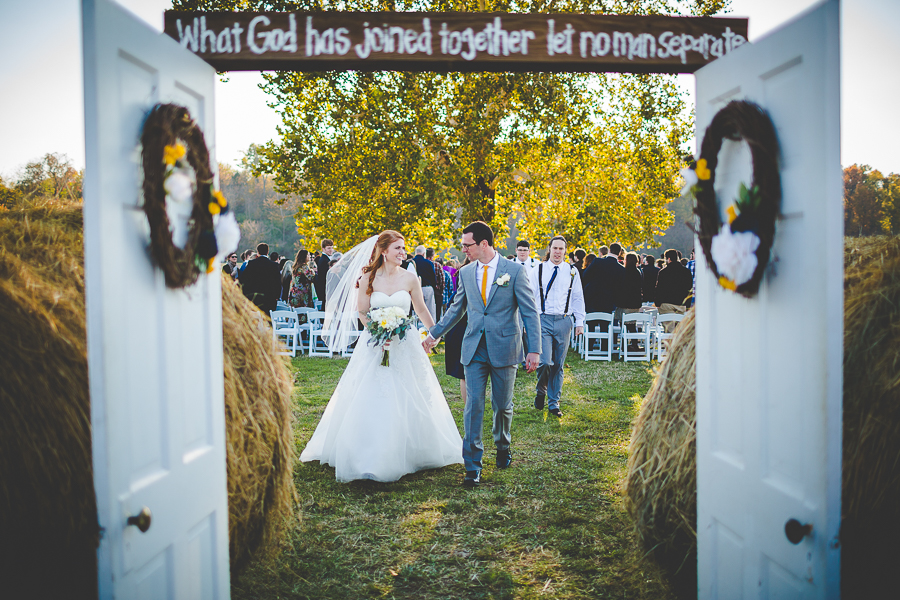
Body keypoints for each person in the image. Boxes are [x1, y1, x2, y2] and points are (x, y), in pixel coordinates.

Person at [300, 231, 463, 482]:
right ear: (384, 251)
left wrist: (435, 333)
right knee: (370, 391)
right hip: (375, 343)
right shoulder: (367, 278)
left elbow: (420, 308)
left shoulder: (410, 278)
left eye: (404, 248)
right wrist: (376, 330)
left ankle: (413, 450)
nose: (403, 253)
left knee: (411, 391)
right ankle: (368, 451)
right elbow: (363, 312)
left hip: (404, 343)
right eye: (397, 248)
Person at [424, 221, 541, 487]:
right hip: (473, 348)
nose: (463, 249)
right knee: (473, 405)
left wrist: (534, 349)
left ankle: (502, 445)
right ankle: (472, 465)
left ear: (484, 244)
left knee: (502, 406)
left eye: (467, 245)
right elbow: (456, 309)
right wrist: (434, 333)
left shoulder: (514, 271)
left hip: (505, 348)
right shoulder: (465, 273)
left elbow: (529, 312)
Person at [531, 236, 585, 418]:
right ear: (549, 249)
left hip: (564, 320)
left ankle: (554, 403)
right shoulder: (538, 269)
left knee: (558, 365)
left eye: (561, 249)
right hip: (543, 319)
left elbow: (578, 297)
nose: (557, 252)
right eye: (555, 248)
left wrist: (579, 322)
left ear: (565, 251)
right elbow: (529, 297)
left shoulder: (572, 272)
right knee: (545, 361)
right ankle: (541, 391)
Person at [239, 242, 283, 314]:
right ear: (267, 252)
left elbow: (244, 280)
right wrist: (276, 296)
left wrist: (246, 294)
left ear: (257, 252)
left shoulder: (251, 264)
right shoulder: (274, 265)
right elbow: (278, 282)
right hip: (269, 298)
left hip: (255, 298)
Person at [655, 248, 693, 329]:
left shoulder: (663, 272)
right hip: (681, 304)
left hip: (666, 304)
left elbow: (659, 289)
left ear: (668, 259)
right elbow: (689, 289)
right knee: (679, 329)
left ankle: (669, 341)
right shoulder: (686, 272)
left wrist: (658, 303)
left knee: (669, 329)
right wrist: (688, 305)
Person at [413, 245, 438, 321]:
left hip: (415, 289)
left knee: (416, 310)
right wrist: (433, 287)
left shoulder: (411, 262)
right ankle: (430, 327)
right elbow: (433, 277)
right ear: (424, 254)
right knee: (430, 310)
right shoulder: (428, 263)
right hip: (427, 288)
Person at [314, 238, 335, 304]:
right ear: (323, 249)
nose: (331, 250)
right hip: (325, 290)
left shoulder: (326, 259)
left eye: (332, 248)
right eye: (328, 248)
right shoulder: (324, 261)